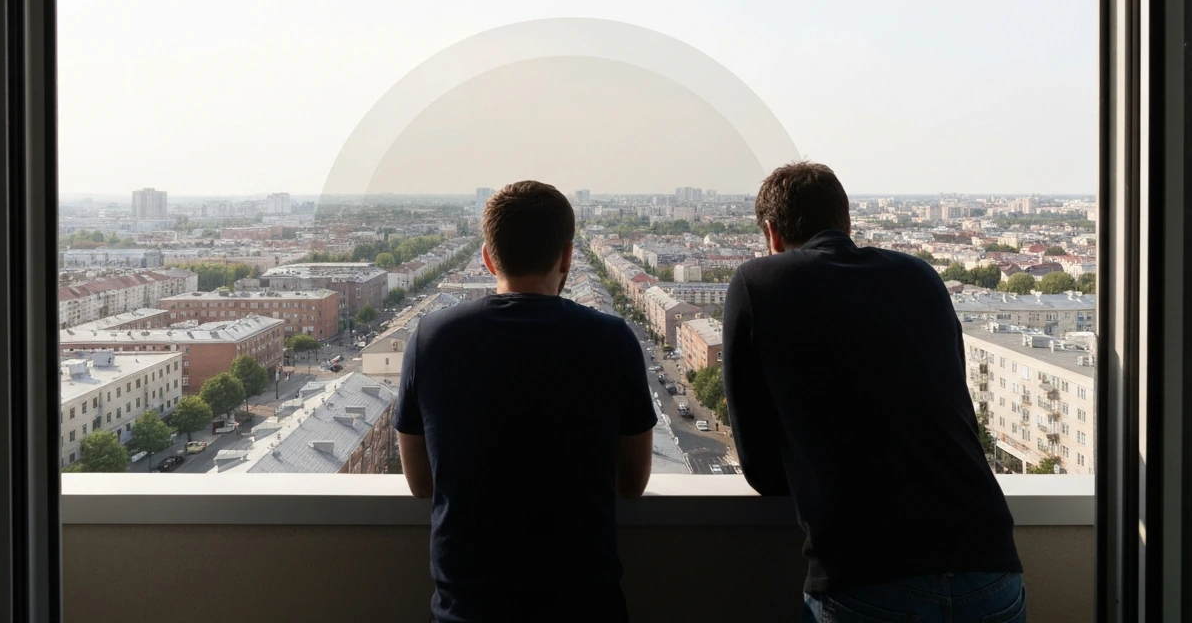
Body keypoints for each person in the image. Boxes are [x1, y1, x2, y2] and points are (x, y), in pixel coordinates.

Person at [723, 162, 1025, 623]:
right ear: (847, 224)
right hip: (989, 566)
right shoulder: (920, 276)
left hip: (866, 573)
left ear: (772, 233)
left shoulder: (758, 283)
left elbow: (761, 469)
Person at [394, 180, 656, 623]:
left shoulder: (432, 339)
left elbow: (420, 482)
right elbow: (632, 482)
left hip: (469, 610)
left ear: (487, 257)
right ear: (567, 256)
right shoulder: (612, 340)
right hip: (585, 607)